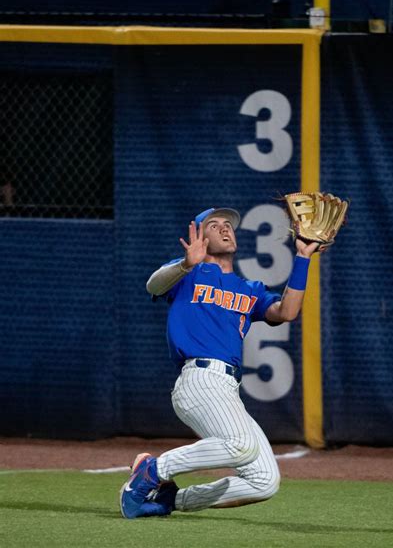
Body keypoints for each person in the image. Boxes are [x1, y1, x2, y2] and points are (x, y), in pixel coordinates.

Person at [119, 206, 321, 519]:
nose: (226, 229)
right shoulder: (188, 273)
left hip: (227, 388)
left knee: (264, 481)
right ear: (199, 235)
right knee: (240, 445)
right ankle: (152, 470)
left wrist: (304, 257)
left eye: (228, 225)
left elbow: (287, 312)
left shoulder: (248, 289)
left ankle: (171, 500)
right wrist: (186, 263)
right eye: (215, 225)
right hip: (199, 379)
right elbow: (153, 285)